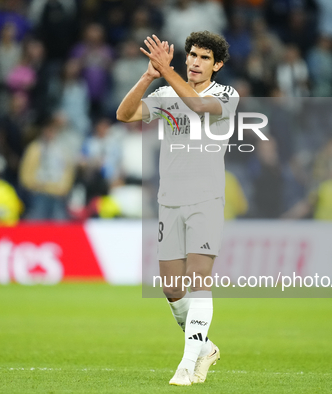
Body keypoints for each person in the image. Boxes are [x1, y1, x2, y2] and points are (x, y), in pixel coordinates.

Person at [116, 31, 238, 386]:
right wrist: (148, 76)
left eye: (203, 58)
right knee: (172, 289)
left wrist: (166, 70)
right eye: (192, 56)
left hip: (206, 199)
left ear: (217, 65)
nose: (195, 62)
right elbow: (125, 114)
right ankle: (206, 348)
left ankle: (186, 365)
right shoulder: (166, 93)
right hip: (169, 200)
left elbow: (199, 107)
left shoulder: (226, 95)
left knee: (199, 280)